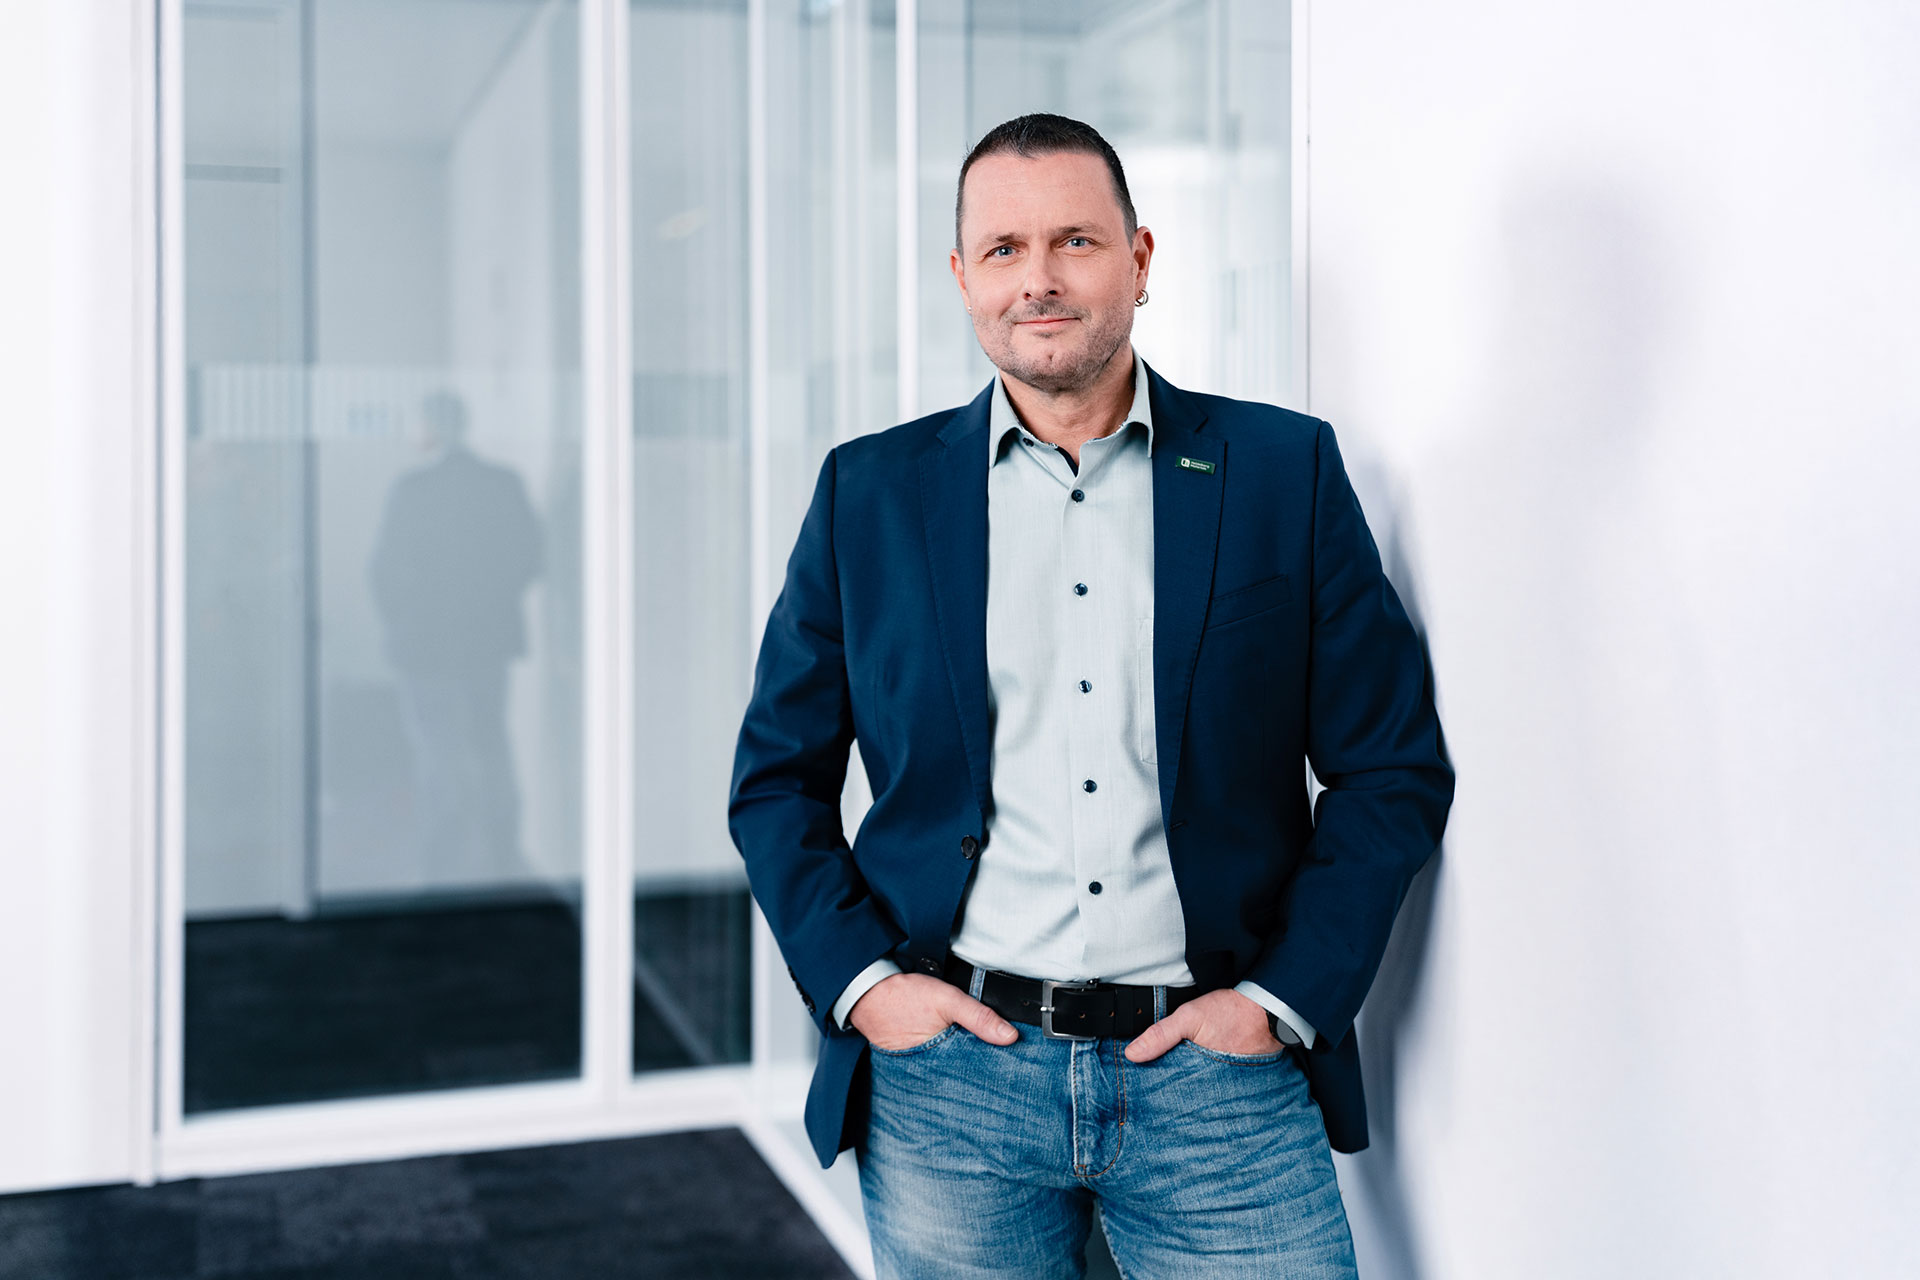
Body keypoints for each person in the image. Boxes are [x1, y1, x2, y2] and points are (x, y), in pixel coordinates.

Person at [729, 113, 1452, 1277]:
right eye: (1004, 249)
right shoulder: (868, 494)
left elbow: (1390, 766)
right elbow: (776, 780)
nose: (1041, 279)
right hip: (951, 1085)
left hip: (1217, 1074)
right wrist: (867, 991)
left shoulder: (1283, 472)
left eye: (1076, 240)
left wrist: (1280, 998)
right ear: (963, 278)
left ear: (1142, 259)